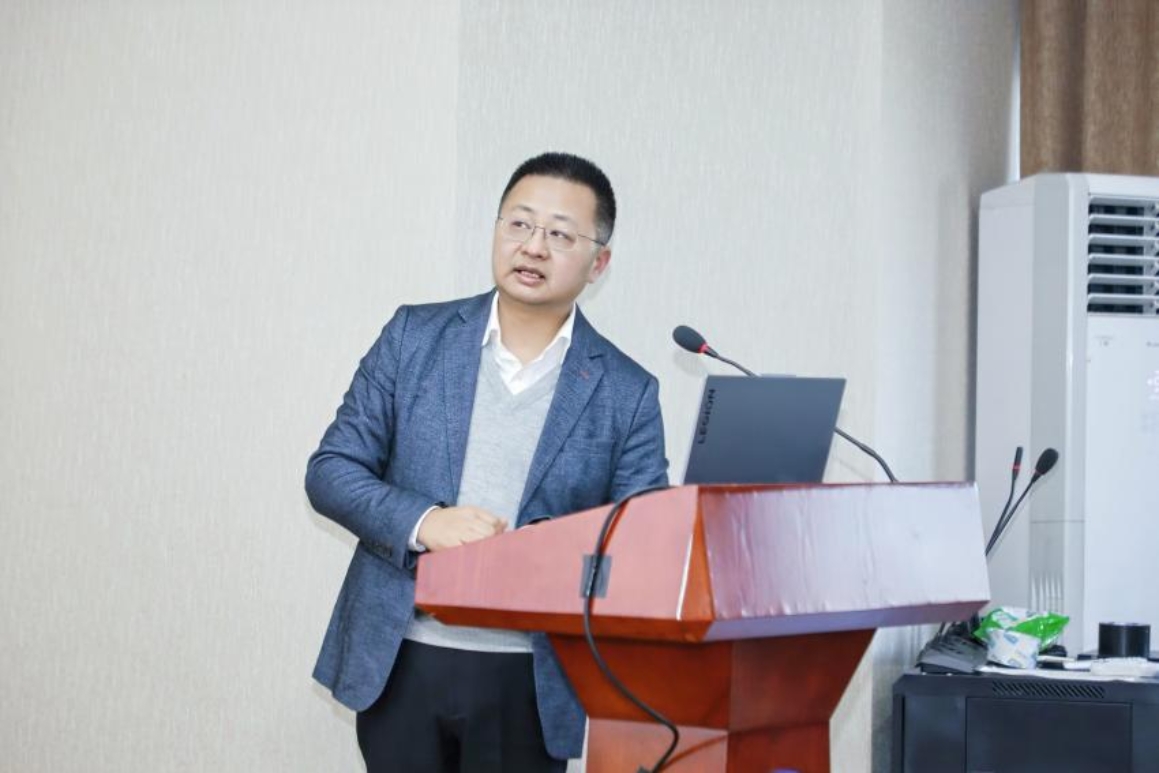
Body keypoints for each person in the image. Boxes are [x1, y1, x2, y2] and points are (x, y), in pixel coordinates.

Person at [305, 151, 669, 772]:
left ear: (599, 263)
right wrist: (426, 522)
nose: (533, 246)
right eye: (519, 224)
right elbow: (331, 471)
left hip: (531, 678)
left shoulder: (626, 391)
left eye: (560, 234)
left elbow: (641, 546)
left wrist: (545, 557)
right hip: (402, 658)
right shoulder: (414, 337)